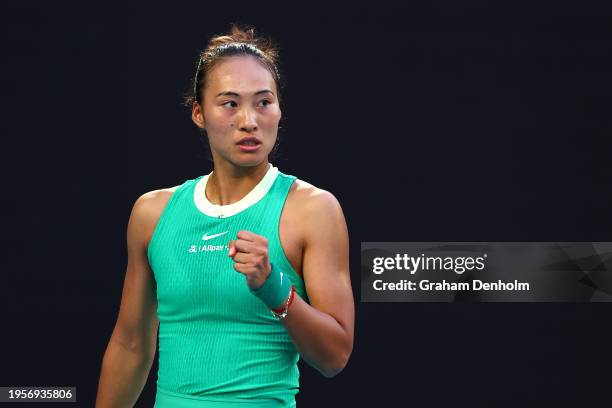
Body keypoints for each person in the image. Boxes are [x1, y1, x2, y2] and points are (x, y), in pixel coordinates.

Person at [96, 24, 354, 408]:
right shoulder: (152, 213)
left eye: (264, 102)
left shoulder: (313, 210)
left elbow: (335, 357)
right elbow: (131, 345)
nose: (249, 120)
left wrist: (275, 288)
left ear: (279, 110)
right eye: (230, 103)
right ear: (199, 113)